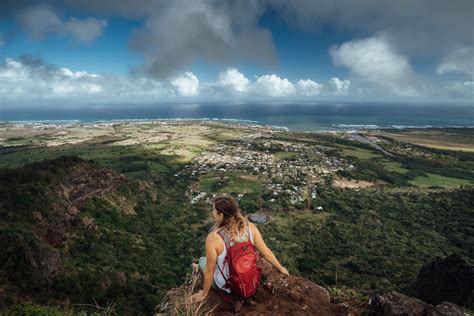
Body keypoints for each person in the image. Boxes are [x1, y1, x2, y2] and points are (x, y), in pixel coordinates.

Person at [191, 195, 289, 303]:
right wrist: (281, 268)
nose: (212, 212)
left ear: (221, 215)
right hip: (249, 280)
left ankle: (197, 267)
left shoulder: (214, 238)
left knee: (202, 260)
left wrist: (204, 294)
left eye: (213, 210)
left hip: (227, 285)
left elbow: (210, 270)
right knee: (211, 259)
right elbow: (266, 252)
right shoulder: (250, 227)